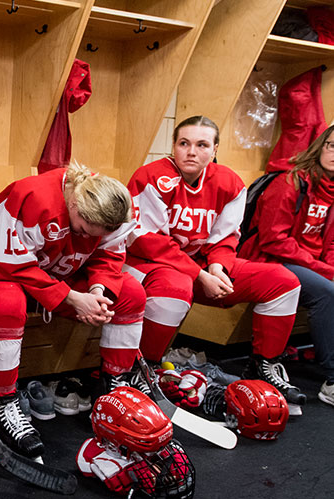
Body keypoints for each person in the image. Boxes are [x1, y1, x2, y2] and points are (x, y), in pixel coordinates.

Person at [0, 162, 145, 459]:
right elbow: (9, 263)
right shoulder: (32, 196)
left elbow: (107, 256)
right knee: (6, 303)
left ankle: (113, 385)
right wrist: (71, 297)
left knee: (131, 294)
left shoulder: (114, 206)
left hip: (58, 271)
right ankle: (1, 399)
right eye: (84, 230)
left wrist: (96, 293)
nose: (88, 237)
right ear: (73, 204)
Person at [125, 115, 306, 406]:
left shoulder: (229, 183)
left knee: (283, 282)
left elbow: (224, 238)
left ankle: (264, 366)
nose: (192, 151)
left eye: (202, 144)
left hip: (200, 268)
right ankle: (142, 370)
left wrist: (217, 267)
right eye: (184, 143)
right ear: (173, 146)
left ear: (215, 149)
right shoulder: (150, 177)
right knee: (176, 286)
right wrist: (200, 276)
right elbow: (150, 243)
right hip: (149, 266)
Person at [239, 124, 334, 404]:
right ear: (320, 147)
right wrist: (325, 271)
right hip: (269, 260)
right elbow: (273, 240)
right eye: (332, 145)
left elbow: (330, 243)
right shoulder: (290, 182)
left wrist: (328, 267)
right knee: (326, 294)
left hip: (307, 263)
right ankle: (332, 380)